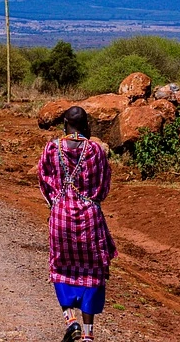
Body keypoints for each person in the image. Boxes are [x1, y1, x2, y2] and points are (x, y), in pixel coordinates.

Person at [36, 105, 116, 342]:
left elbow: (43, 176)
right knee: (93, 272)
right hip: (90, 216)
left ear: (65, 124)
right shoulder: (96, 150)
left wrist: (56, 199)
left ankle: (71, 322)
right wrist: (91, 199)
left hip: (61, 216)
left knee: (61, 269)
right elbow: (104, 181)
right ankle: (89, 335)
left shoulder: (52, 148)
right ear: (85, 125)